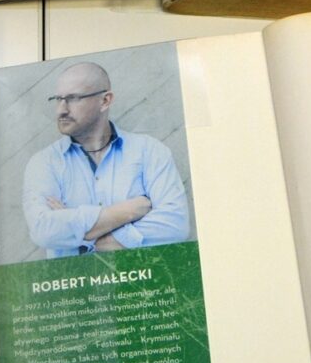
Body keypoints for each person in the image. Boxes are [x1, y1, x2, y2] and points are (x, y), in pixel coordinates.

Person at [22, 61, 188, 257]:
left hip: (141, 277)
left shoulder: (149, 151)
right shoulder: (44, 162)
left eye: (73, 98)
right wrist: (127, 212)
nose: (61, 110)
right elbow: (43, 230)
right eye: (58, 99)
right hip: (75, 278)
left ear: (105, 101)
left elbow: (175, 226)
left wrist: (81, 238)